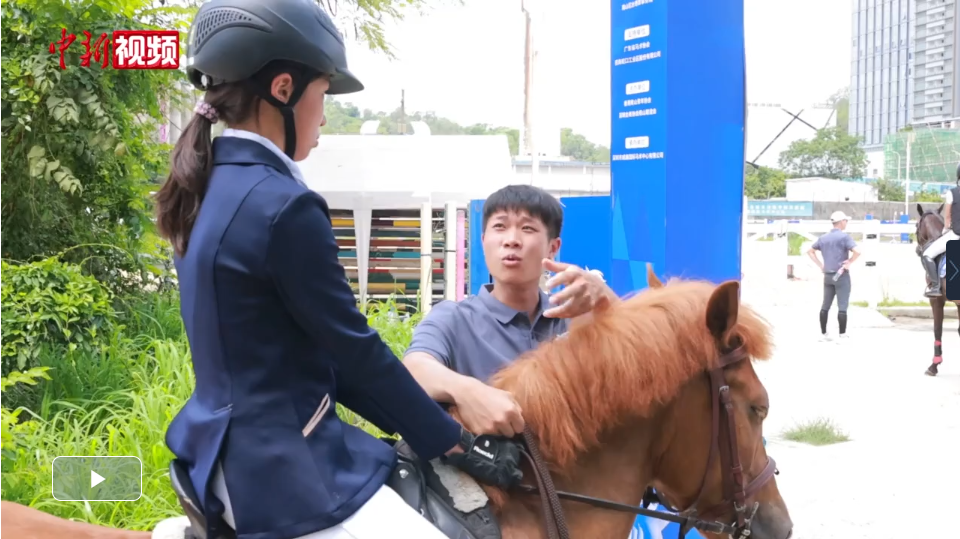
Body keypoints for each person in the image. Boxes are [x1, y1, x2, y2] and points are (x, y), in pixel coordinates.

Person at [155, 2, 522, 538]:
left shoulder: (205, 188)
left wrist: (438, 432)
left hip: (220, 451)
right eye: (323, 94)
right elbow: (355, 349)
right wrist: (454, 443)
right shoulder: (283, 205)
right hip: (281, 472)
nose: (324, 116)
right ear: (283, 89)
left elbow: (326, 352)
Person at [403, 184, 618, 437]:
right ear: (483, 241)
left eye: (527, 228)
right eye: (500, 226)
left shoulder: (574, 319)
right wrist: (468, 392)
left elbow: (644, 363)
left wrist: (607, 299)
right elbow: (414, 368)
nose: (511, 240)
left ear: (553, 247)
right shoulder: (453, 319)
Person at [806, 211, 861, 341]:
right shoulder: (844, 237)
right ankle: (842, 335)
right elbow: (858, 251)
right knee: (842, 306)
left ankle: (823, 334)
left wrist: (821, 265)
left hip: (828, 276)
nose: (846, 223)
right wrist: (850, 261)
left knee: (825, 305)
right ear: (841, 222)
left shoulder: (823, 238)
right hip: (841, 275)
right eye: (846, 221)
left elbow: (810, 251)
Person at [919, 162, 960, 297]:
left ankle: (936, 287)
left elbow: (947, 217)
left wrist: (945, 230)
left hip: (956, 235)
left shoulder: (952, 193)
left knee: (927, 254)